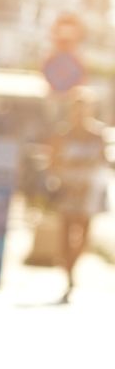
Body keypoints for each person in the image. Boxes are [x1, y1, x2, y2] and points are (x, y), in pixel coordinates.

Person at [47, 88, 110, 303]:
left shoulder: (98, 134)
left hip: (89, 189)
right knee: (65, 232)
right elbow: (53, 162)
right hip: (67, 187)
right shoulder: (62, 133)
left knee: (84, 234)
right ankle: (69, 275)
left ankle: (72, 267)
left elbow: (103, 161)